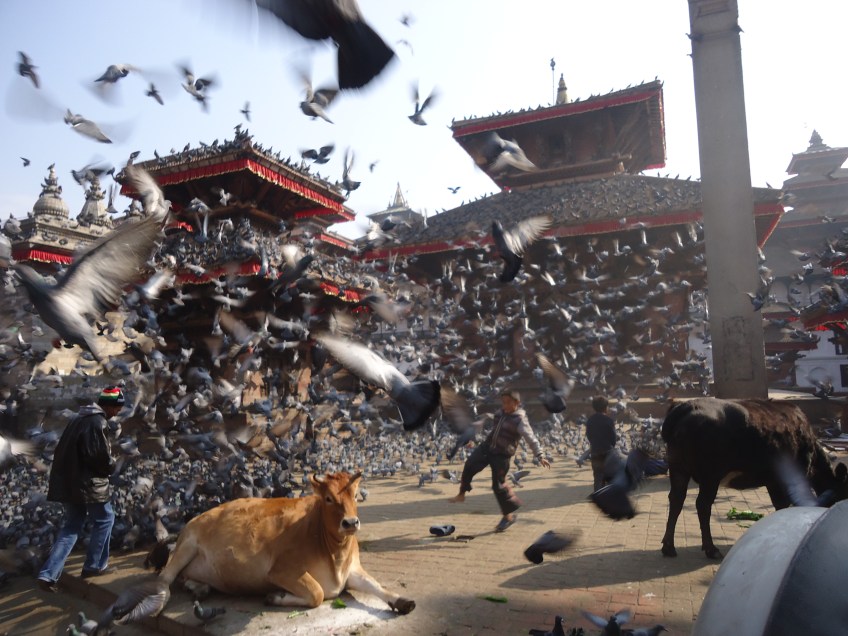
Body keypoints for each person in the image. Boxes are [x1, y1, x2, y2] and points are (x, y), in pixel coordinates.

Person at [36, 386, 124, 592]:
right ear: (109, 406)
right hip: (88, 484)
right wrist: (113, 464)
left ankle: (48, 574)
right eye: (117, 408)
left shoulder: (77, 418)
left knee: (71, 527)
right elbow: (97, 457)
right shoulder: (97, 421)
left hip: (69, 484)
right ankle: (94, 566)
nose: (118, 412)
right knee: (105, 519)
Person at [448, 388, 550, 532]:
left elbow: (530, 438)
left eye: (508, 403)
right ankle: (461, 494)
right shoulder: (499, 413)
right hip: (487, 447)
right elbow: (493, 430)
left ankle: (507, 517)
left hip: (502, 455)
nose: (505, 406)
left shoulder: (520, 420)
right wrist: (474, 440)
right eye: (503, 402)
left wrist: (540, 455)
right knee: (470, 464)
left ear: (517, 403)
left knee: (498, 486)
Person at [585, 395, 617, 492]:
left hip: (595, 451)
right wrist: (611, 447)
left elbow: (588, 435)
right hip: (607, 451)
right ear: (605, 407)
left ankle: (598, 494)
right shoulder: (609, 420)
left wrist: (594, 444)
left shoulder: (590, 420)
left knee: (598, 476)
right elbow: (613, 438)